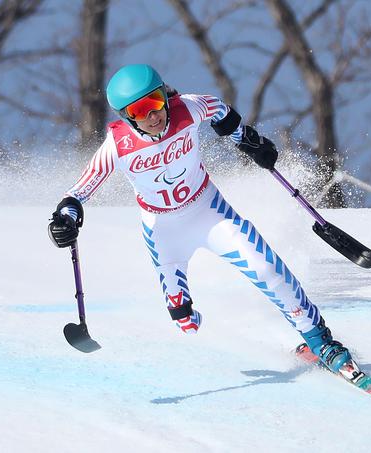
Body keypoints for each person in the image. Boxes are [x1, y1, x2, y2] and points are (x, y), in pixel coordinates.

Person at [48, 64, 355, 374]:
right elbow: (77, 194)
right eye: (140, 110)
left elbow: (221, 111)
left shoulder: (189, 107)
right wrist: (64, 220)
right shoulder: (118, 145)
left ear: (165, 97)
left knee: (267, 269)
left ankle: (321, 341)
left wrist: (248, 141)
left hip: (209, 212)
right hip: (164, 232)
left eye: (155, 102)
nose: (152, 115)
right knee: (182, 317)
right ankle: (188, 314)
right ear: (127, 116)